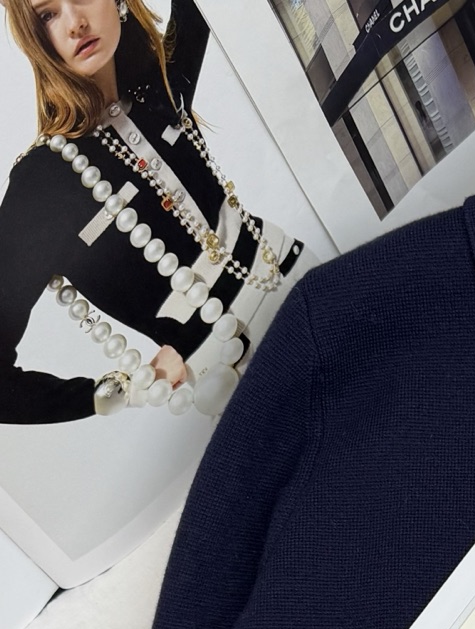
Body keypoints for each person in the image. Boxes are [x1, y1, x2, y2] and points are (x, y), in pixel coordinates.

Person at [0, 0, 304, 423]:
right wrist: (122, 390)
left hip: (301, 274)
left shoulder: (159, 82)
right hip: (234, 373)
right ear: (33, 36)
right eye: (47, 14)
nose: (75, 24)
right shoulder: (41, 184)